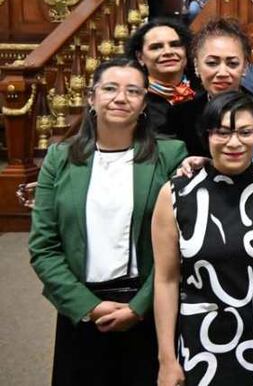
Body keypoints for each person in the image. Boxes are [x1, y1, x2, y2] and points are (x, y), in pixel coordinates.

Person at [28, 58, 188, 385]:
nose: (120, 98)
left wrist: (139, 307)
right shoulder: (60, 158)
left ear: (144, 103)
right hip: (81, 309)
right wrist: (90, 306)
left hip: (148, 305)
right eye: (110, 88)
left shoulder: (171, 155)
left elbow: (181, 245)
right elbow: (43, 248)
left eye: (133, 91)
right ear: (92, 97)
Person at [151, 91, 253, 385]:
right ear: (206, 135)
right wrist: (166, 357)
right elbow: (166, 280)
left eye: (245, 132)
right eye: (222, 132)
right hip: (204, 336)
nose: (234, 143)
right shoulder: (176, 193)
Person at [167, 18, 253, 156]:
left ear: (245, 67)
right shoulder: (179, 115)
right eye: (212, 63)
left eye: (232, 64)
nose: (222, 73)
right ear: (196, 65)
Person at [125, 18, 197, 132]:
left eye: (175, 45)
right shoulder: (133, 100)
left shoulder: (205, 92)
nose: (168, 52)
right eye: (156, 47)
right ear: (140, 57)